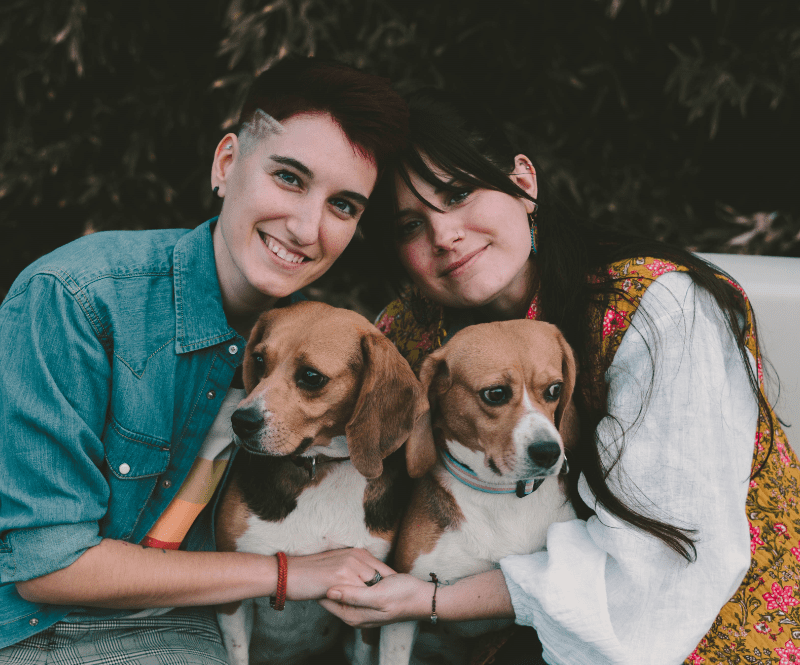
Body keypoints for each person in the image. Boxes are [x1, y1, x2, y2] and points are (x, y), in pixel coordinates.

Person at [318, 89, 799, 665]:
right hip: (508, 630)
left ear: (523, 181)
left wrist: (431, 600)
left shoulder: (660, 310)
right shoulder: (413, 335)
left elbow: (668, 566)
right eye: (408, 226)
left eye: (458, 193)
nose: (443, 235)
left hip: (705, 621)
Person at [0, 57, 405, 663]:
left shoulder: (322, 344)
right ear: (226, 164)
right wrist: (289, 572)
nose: (306, 226)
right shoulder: (77, 298)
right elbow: (48, 566)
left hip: (195, 626)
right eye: (290, 178)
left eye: (343, 206)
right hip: (44, 627)